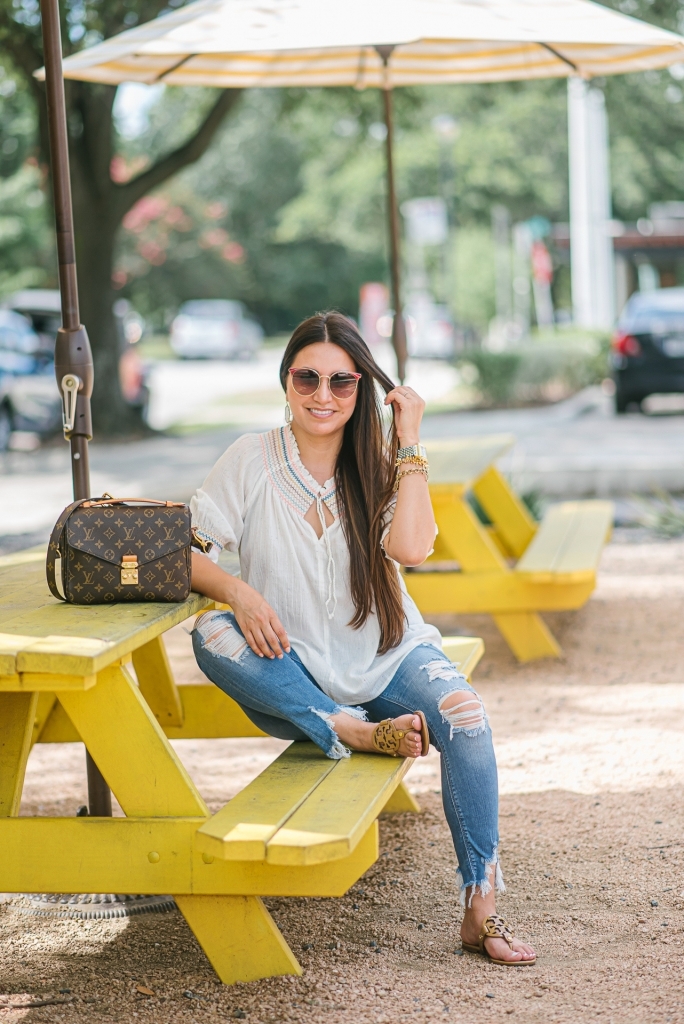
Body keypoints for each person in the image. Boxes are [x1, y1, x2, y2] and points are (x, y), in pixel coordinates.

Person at [189, 312, 536, 966]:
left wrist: (409, 441)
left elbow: (413, 548)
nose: (323, 395)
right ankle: (349, 729)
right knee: (210, 632)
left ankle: (480, 905)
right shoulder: (250, 459)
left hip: (388, 657)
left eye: (341, 382)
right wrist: (238, 591)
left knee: (467, 717)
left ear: (360, 390)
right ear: (286, 381)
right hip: (292, 675)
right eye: (308, 378)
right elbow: (186, 552)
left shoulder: (379, 466)